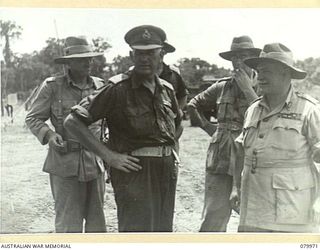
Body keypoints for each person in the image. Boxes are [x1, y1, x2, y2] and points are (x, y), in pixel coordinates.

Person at [64, 25, 182, 232]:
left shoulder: (167, 89)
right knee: (136, 234)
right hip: (135, 173)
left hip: (165, 172)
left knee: (163, 233)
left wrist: (171, 154)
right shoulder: (117, 88)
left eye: (151, 53)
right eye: (139, 53)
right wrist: (109, 156)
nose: (145, 59)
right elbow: (72, 122)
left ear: (161, 55)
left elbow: (177, 126)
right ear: (131, 55)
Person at [229, 43, 320, 233]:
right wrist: (236, 188)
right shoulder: (253, 109)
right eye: (259, 71)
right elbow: (241, 150)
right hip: (252, 207)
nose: (260, 76)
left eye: (267, 71)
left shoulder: (309, 110)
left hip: (291, 209)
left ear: (286, 74)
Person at [25, 36, 107, 233]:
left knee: (97, 225)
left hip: (95, 164)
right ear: (68, 63)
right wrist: (50, 136)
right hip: (64, 164)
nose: (88, 62)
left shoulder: (100, 86)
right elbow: (33, 118)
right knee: (68, 225)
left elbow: (108, 122)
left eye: (89, 58)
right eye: (81, 59)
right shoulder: (53, 86)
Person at [187, 36, 261, 232]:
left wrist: (247, 89)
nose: (238, 62)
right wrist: (208, 128)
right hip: (220, 155)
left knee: (251, 217)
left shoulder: (264, 86)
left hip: (250, 155)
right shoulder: (222, 86)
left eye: (243, 56)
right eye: (234, 57)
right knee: (214, 215)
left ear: (253, 59)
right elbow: (192, 104)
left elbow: (267, 116)